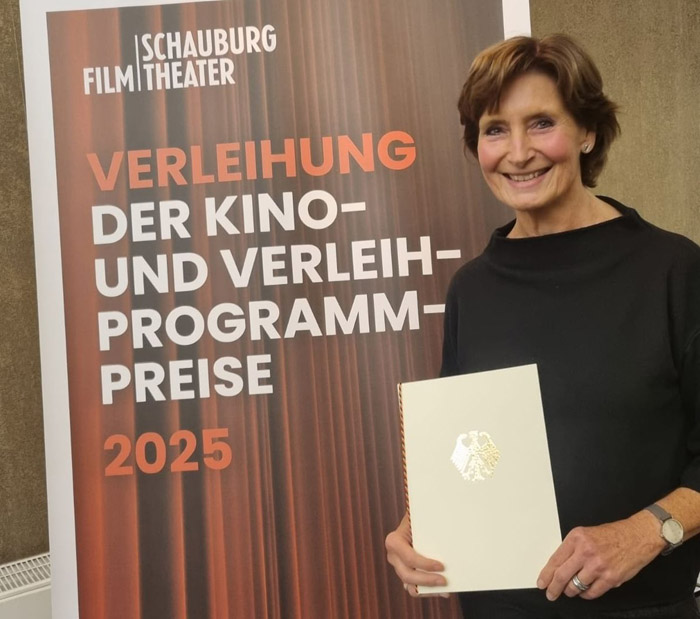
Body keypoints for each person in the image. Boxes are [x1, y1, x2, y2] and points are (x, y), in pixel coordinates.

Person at [385, 33, 700, 618]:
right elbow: (469, 452)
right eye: (495, 130)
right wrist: (422, 524)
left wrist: (648, 530)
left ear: (588, 132)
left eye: (541, 123)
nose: (518, 152)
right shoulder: (471, 290)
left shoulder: (672, 269)